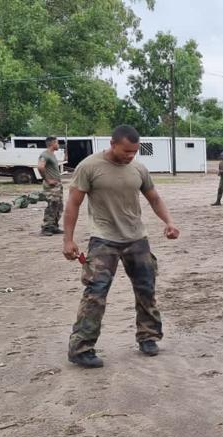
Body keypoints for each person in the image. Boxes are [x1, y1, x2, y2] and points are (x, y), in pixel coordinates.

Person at [62, 125, 179, 368]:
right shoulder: (89, 167)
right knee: (96, 292)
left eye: (134, 152)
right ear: (113, 144)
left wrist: (168, 222)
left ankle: (148, 337)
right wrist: (68, 239)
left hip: (137, 238)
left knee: (146, 289)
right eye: (126, 151)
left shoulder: (138, 168)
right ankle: (81, 348)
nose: (130, 156)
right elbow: (73, 203)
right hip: (104, 239)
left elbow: (154, 198)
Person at [38, 136, 65, 236]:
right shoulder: (45, 154)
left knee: (58, 206)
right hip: (51, 186)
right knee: (52, 205)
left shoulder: (51, 154)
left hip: (57, 185)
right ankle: (46, 228)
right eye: (57, 143)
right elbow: (40, 167)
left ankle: (53, 226)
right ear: (52, 143)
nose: (58, 145)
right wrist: (47, 179)